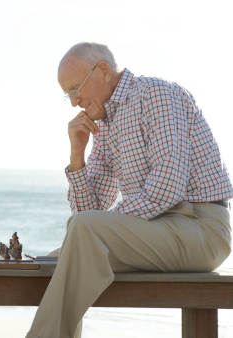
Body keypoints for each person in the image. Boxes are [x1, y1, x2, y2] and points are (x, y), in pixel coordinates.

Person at [26, 42, 233, 338]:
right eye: (68, 94)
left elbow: (167, 187)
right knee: (58, 257)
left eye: (75, 89)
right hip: (158, 229)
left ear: (103, 71)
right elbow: (88, 215)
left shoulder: (156, 94)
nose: (74, 102)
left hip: (200, 230)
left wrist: (111, 224)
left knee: (80, 239)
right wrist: (77, 157)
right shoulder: (105, 124)